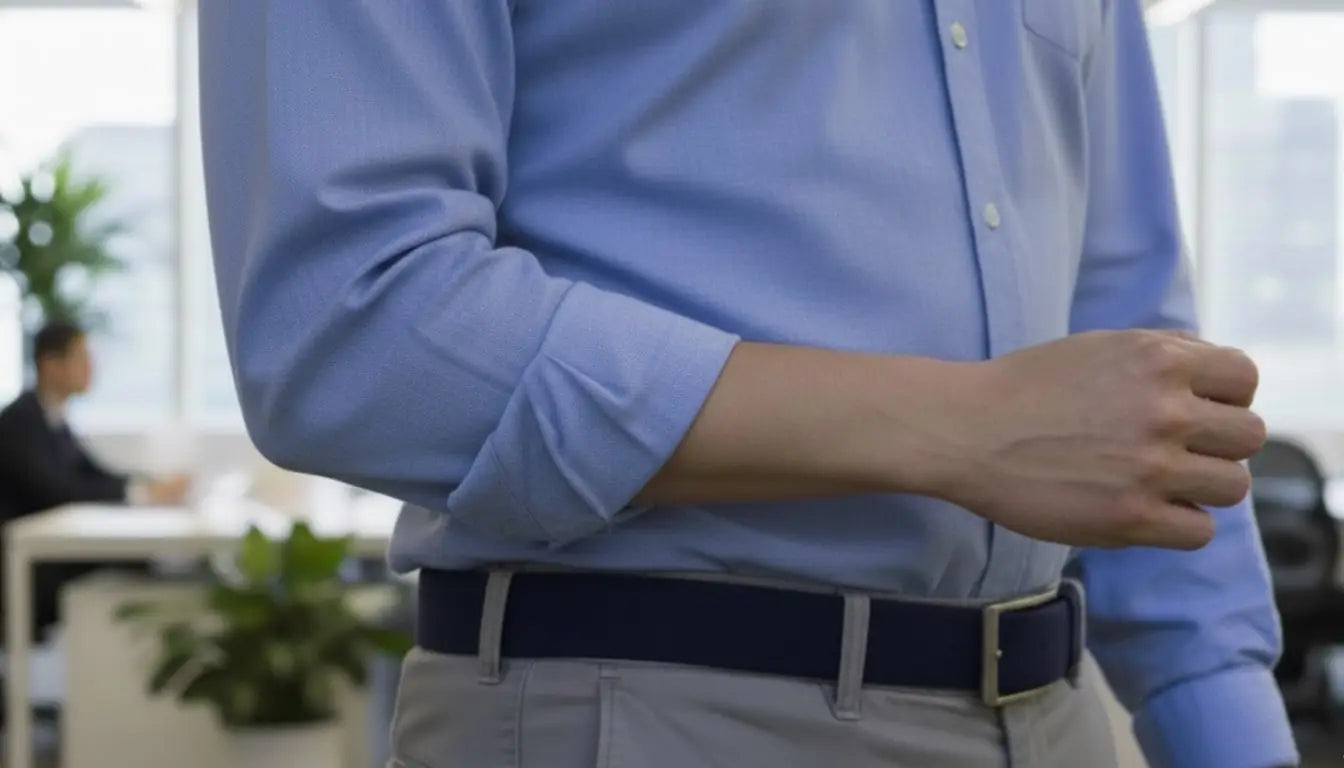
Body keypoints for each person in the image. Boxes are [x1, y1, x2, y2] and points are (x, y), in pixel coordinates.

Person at [200, 2, 1294, 767]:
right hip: (648, 710)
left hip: (1054, 723)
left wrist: (1231, 731)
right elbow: (350, 326)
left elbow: (1140, 375)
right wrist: (963, 429)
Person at [0, 321, 189, 634]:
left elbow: (94, 472)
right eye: (81, 358)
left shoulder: (54, 417)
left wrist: (148, 484)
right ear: (50, 364)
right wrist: (141, 495)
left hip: (50, 552)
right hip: (26, 564)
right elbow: (59, 492)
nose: (91, 368)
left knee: (150, 562)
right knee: (137, 562)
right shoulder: (19, 422)